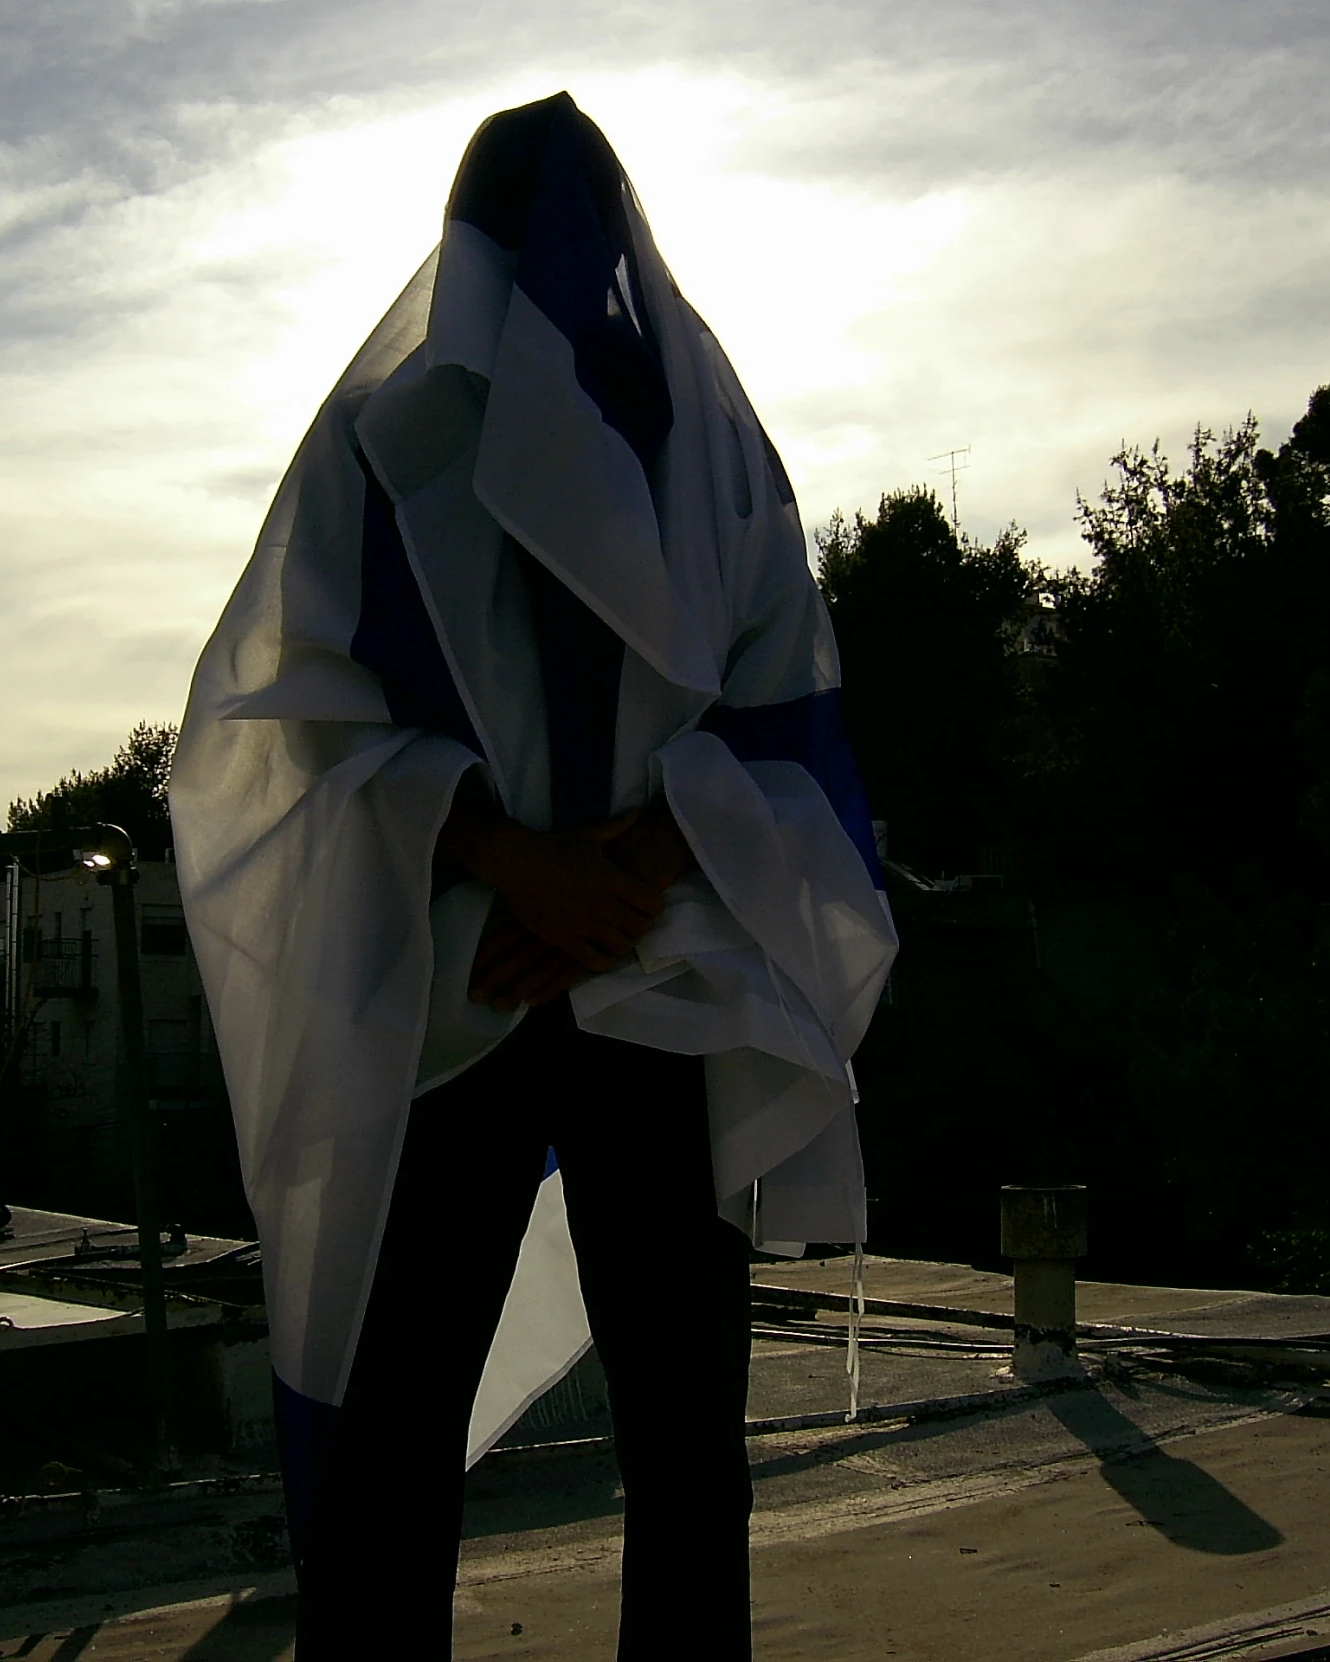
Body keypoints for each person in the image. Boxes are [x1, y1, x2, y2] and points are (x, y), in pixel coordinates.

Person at [169, 91, 897, 1659]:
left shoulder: (710, 452)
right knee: (401, 1425)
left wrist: (612, 873)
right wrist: (521, 860)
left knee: (680, 1431)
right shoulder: (393, 438)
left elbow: (787, 704)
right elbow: (283, 710)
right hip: (471, 989)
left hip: (644, 974)